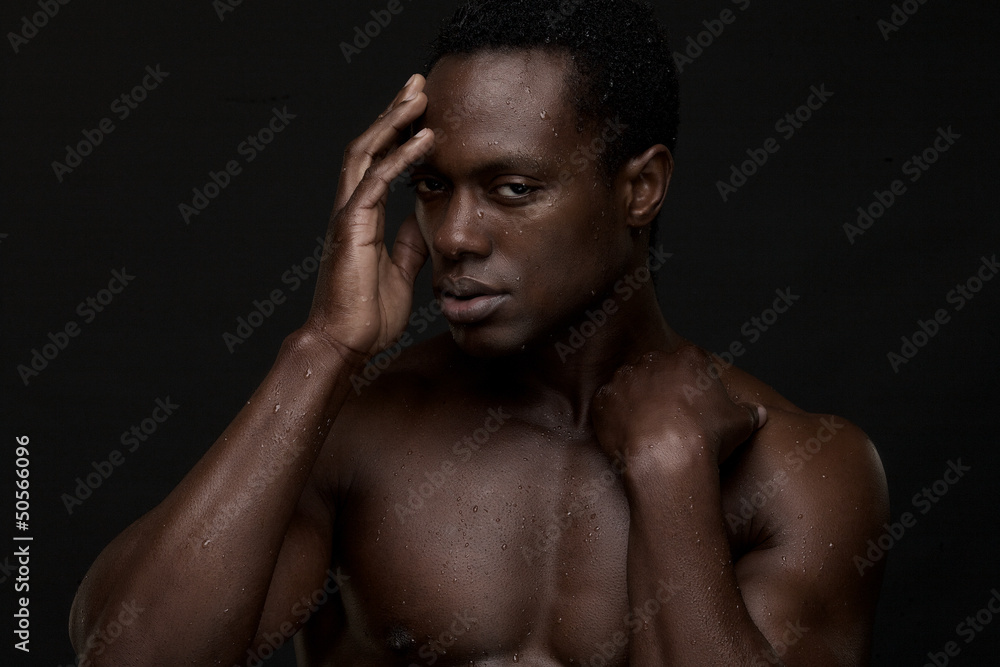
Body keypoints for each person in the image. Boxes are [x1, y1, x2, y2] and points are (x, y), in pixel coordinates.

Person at [69, 1, 889, 664]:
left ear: (640, 188)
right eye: (432, 186)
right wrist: (324, 349)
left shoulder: (799, 468)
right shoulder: (353, 434)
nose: (454, 236)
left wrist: (671, 475)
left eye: (513, 188)